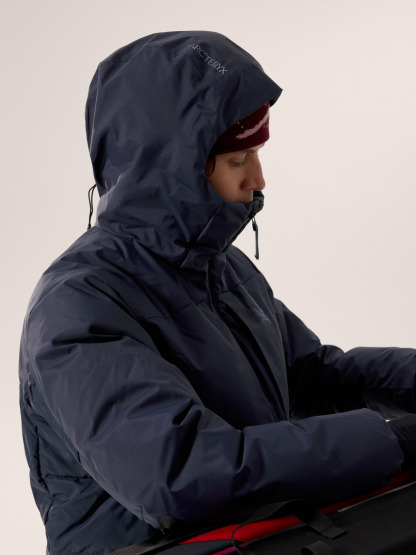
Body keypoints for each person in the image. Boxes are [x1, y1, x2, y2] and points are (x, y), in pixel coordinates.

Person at [19, 31, 416, 555]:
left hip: (252, 536)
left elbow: (309, 375)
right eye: (238, 159)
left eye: (257, 153)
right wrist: (394, 439)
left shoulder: (219, 269)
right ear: (168, 168)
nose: (258, 179)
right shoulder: (78, 305)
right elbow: (181, 472)